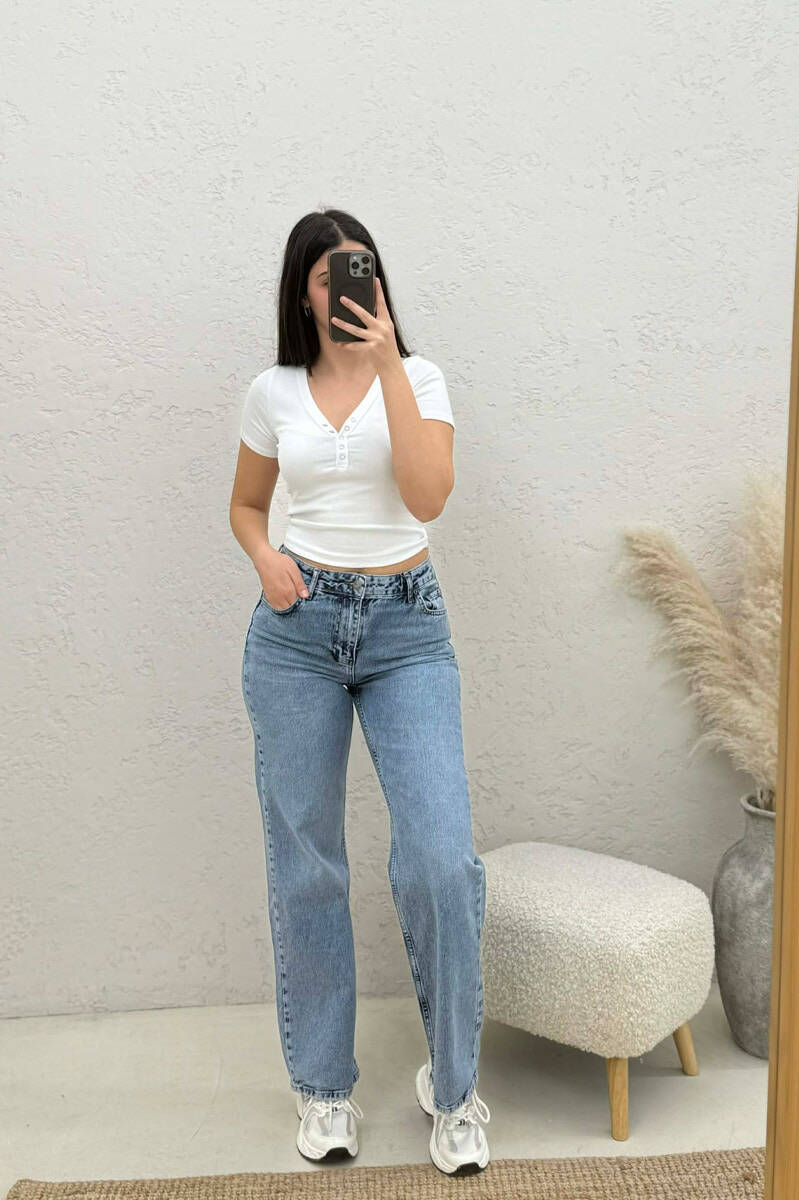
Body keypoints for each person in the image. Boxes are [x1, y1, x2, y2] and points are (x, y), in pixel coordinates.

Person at [229, 208, 490, 1175]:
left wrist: (385, 365)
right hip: (296, 634)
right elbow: (246, 505)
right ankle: (324, 1089)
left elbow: (428, 498)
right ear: (304, 291)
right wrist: (266, 559)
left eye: (363, 268)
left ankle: (454, 1091)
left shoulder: (419, 378)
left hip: (406, 628)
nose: (350, 284)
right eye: (330, 273)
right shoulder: (273, 391)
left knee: (440, 859)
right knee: (309, 866)